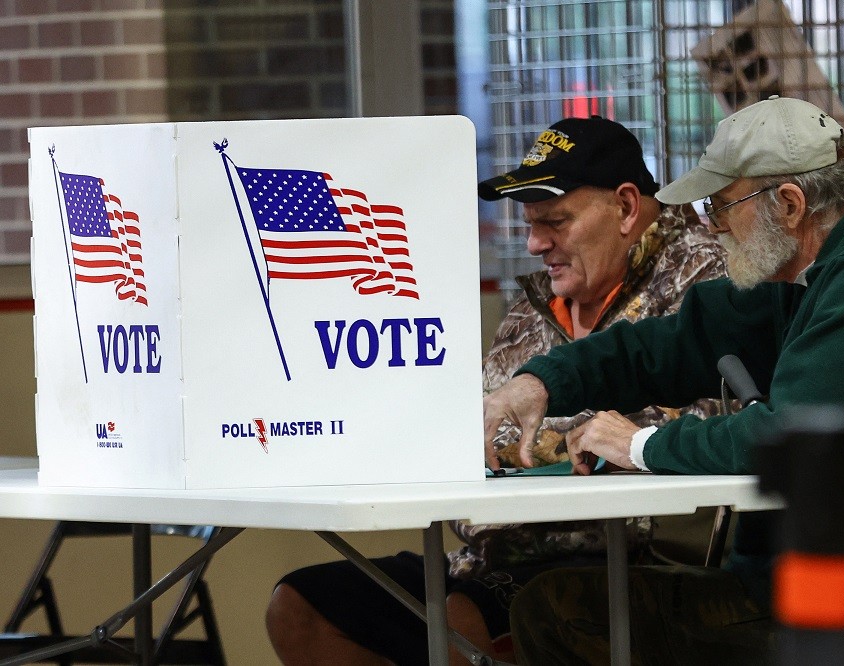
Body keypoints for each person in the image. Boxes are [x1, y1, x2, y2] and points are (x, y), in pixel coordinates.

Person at [485, 96, 844, 664]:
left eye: (719, 206)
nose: (710, 225)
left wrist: (638, 444)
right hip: (802, 584)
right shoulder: (804, 274)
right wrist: (541, 383)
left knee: (559, 608)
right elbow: (665, 345)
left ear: (789, 205)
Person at [265, 116, 728, 665]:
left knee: (460, 621)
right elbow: (476, 426)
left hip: (625, 559)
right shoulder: (537, 302)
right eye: (530, 223)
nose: (535, 243)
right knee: (300, 606)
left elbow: (685, 427)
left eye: (555, 221)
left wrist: (520, 446)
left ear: (626, 208)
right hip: (489, 554)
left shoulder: (705, 275)